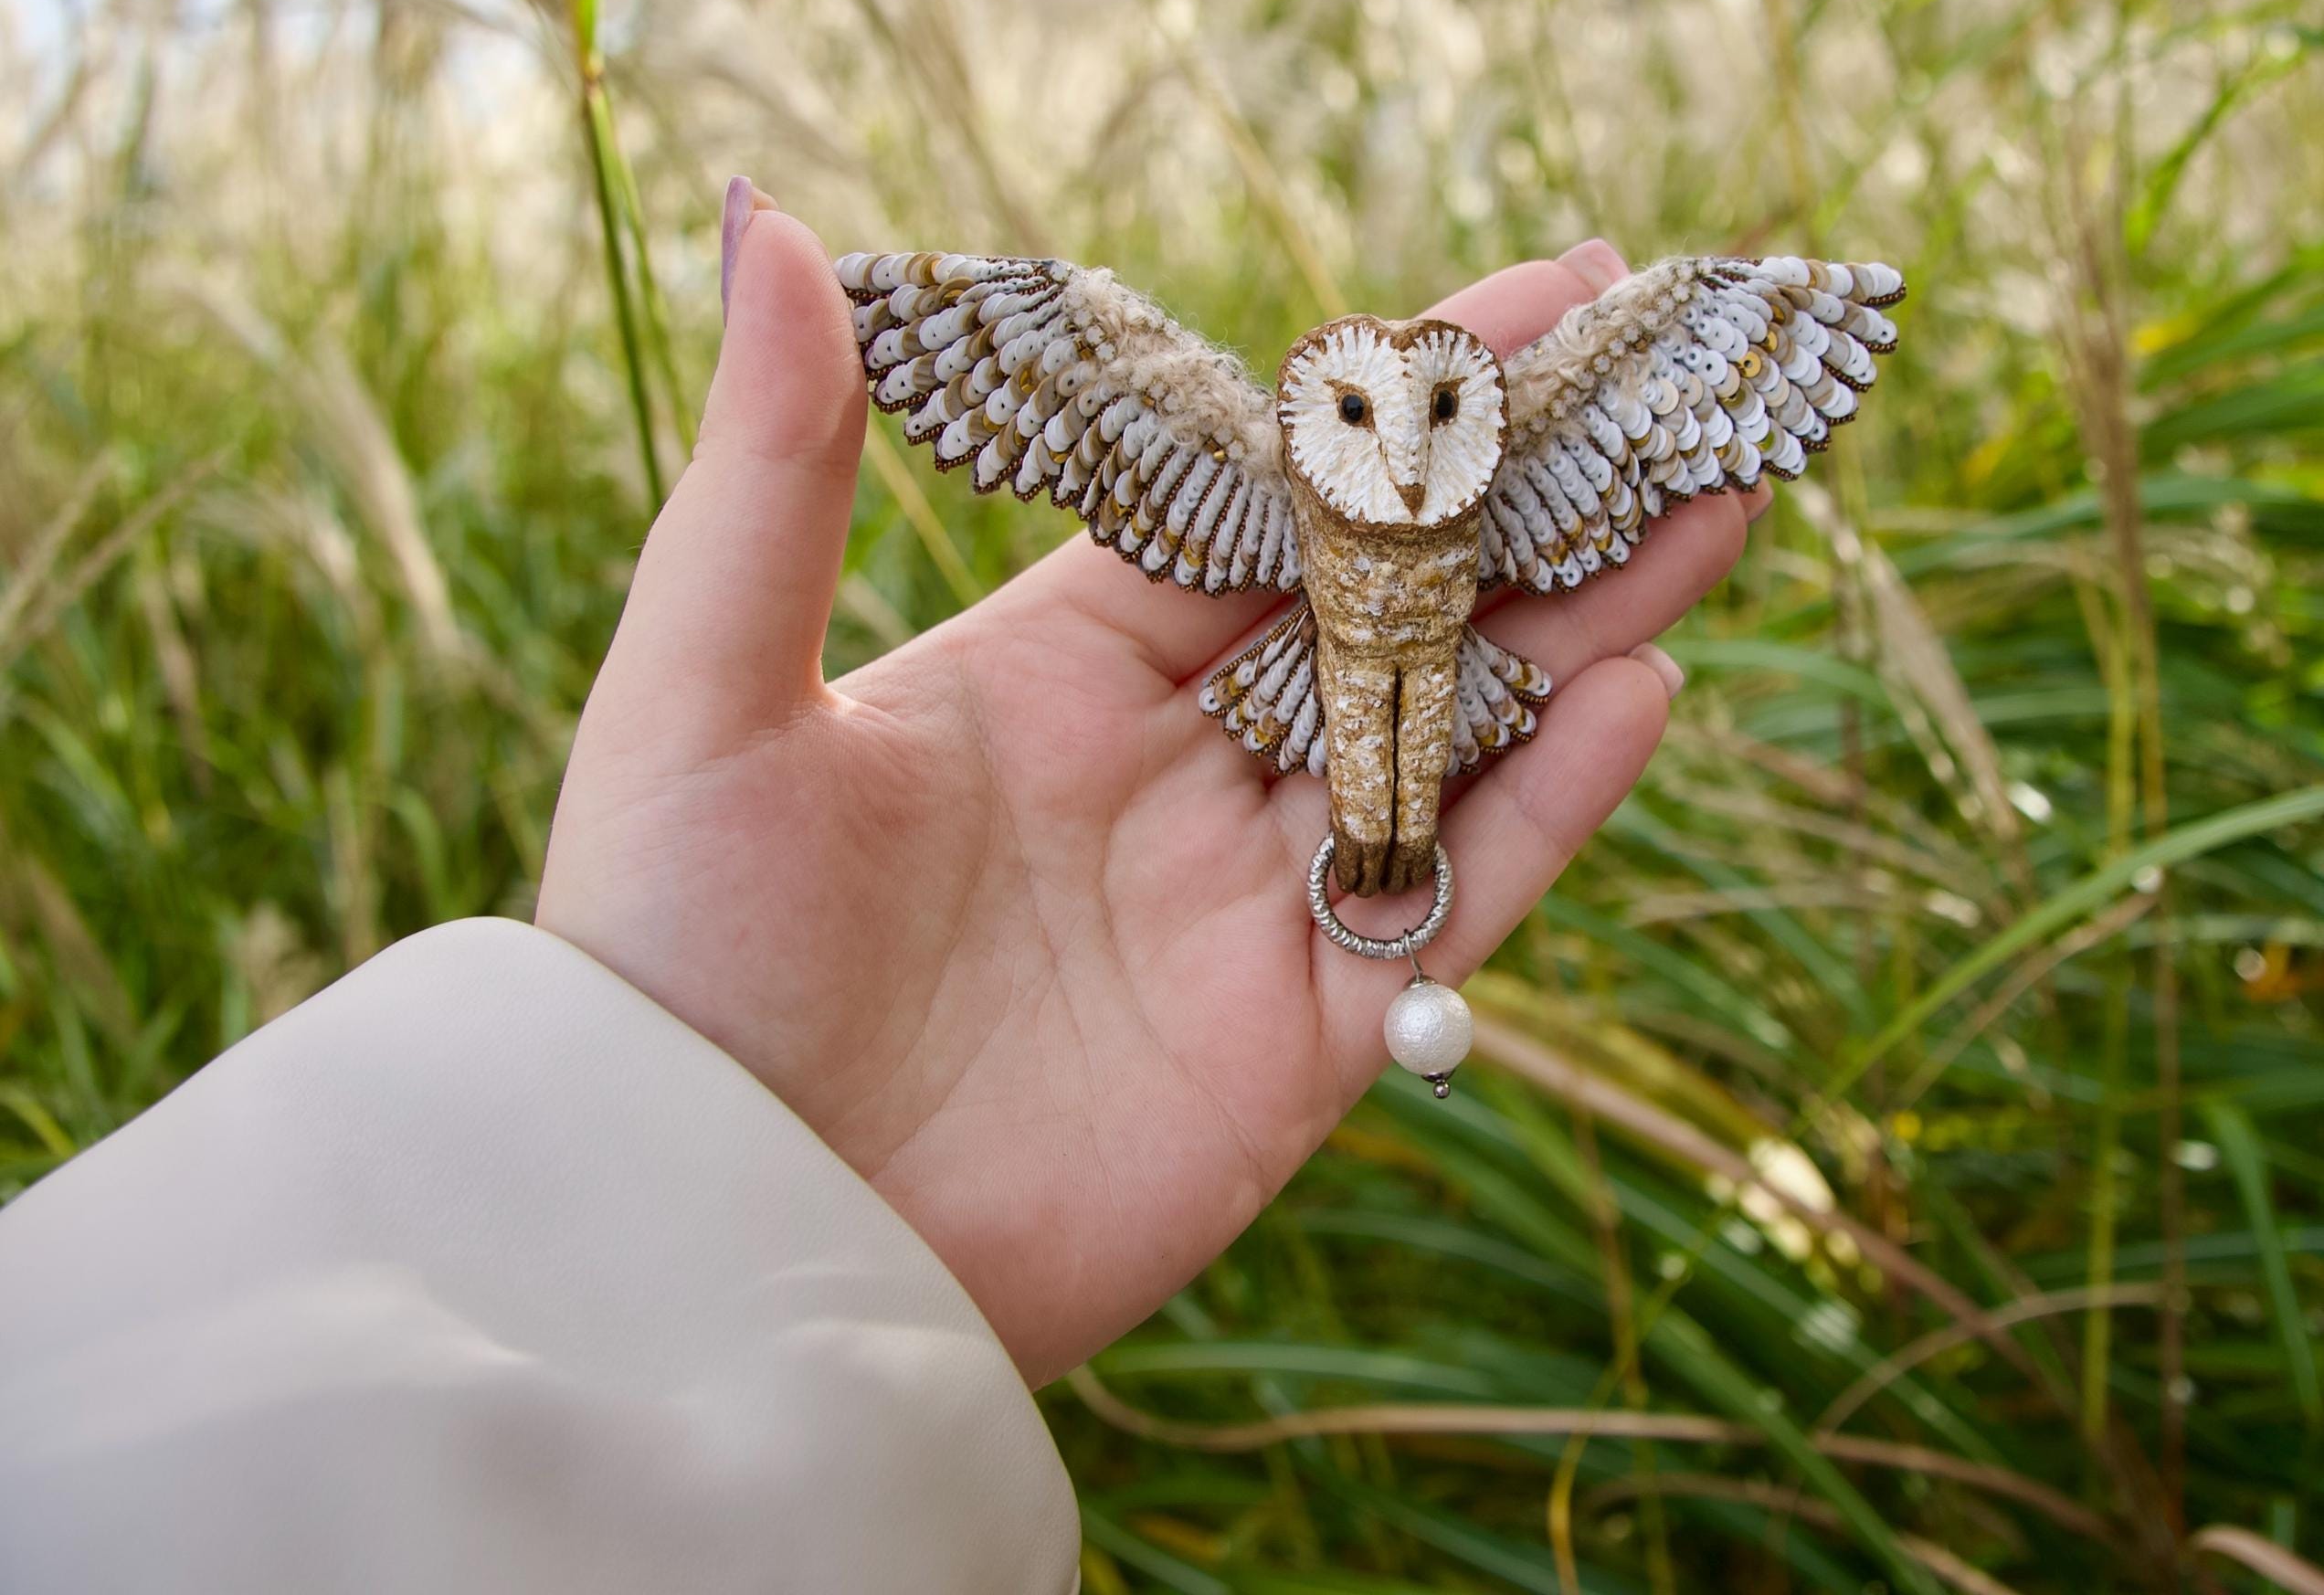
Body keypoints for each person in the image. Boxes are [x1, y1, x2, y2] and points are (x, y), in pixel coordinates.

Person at [0, 184, 1764, 1592]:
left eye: (1433, 419)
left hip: (1425, 691)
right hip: (1303, 699)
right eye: (1365, 417)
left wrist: (629, 1138)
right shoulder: (1221, 446)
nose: (1393, 453)